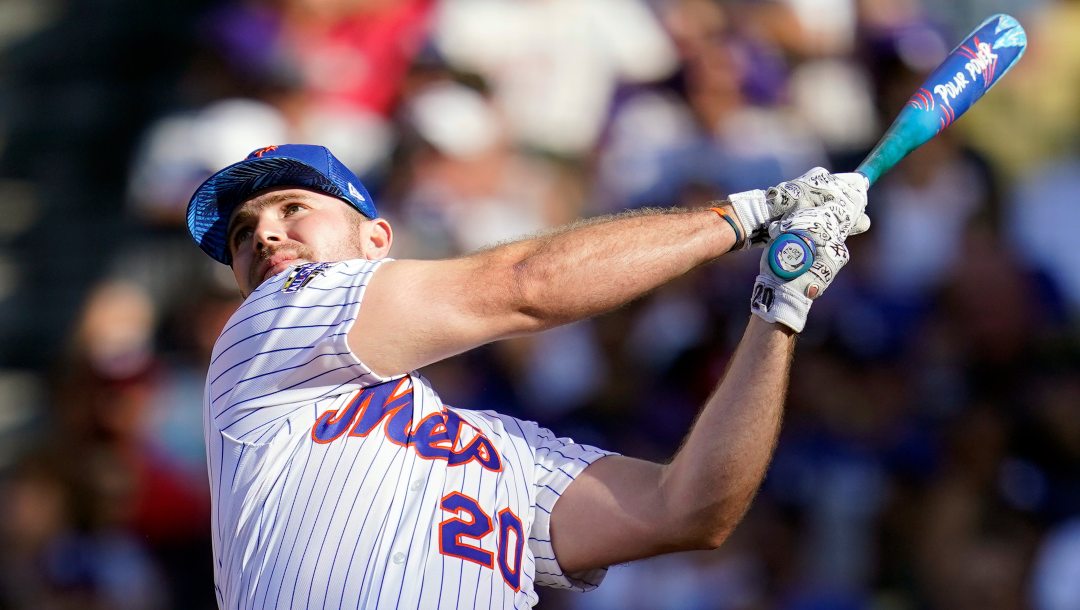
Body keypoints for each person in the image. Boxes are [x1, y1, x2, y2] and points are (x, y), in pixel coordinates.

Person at [185, 143, 868, 608]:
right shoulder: (264, 331)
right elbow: (524, 285)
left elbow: (687, 509)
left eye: (292, 208)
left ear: (377, 241)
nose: (264, 237)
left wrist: (779, 307)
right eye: (243, 233)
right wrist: (749, 215)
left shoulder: (497, 449)